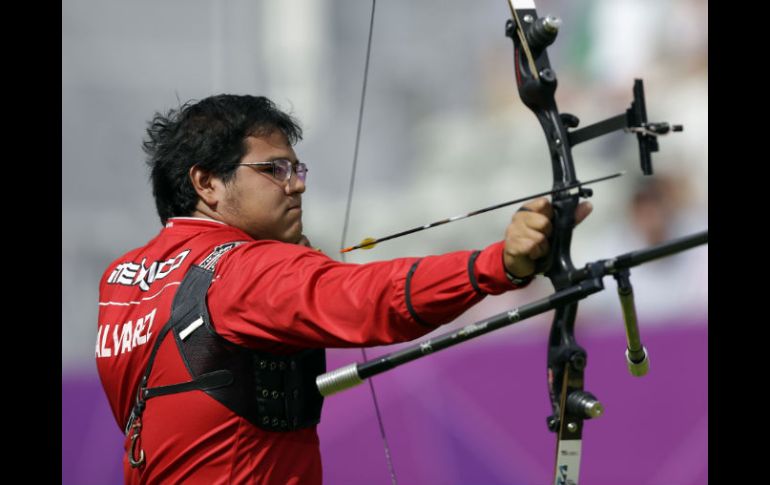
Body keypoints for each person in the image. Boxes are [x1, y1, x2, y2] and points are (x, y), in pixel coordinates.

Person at [96, 94, 592, 484]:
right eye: (274, 170)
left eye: (296, 169)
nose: (296, 184)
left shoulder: (120, 281)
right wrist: (498, 263)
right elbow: (368, 301)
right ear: (207, 183)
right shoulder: (244, 272)